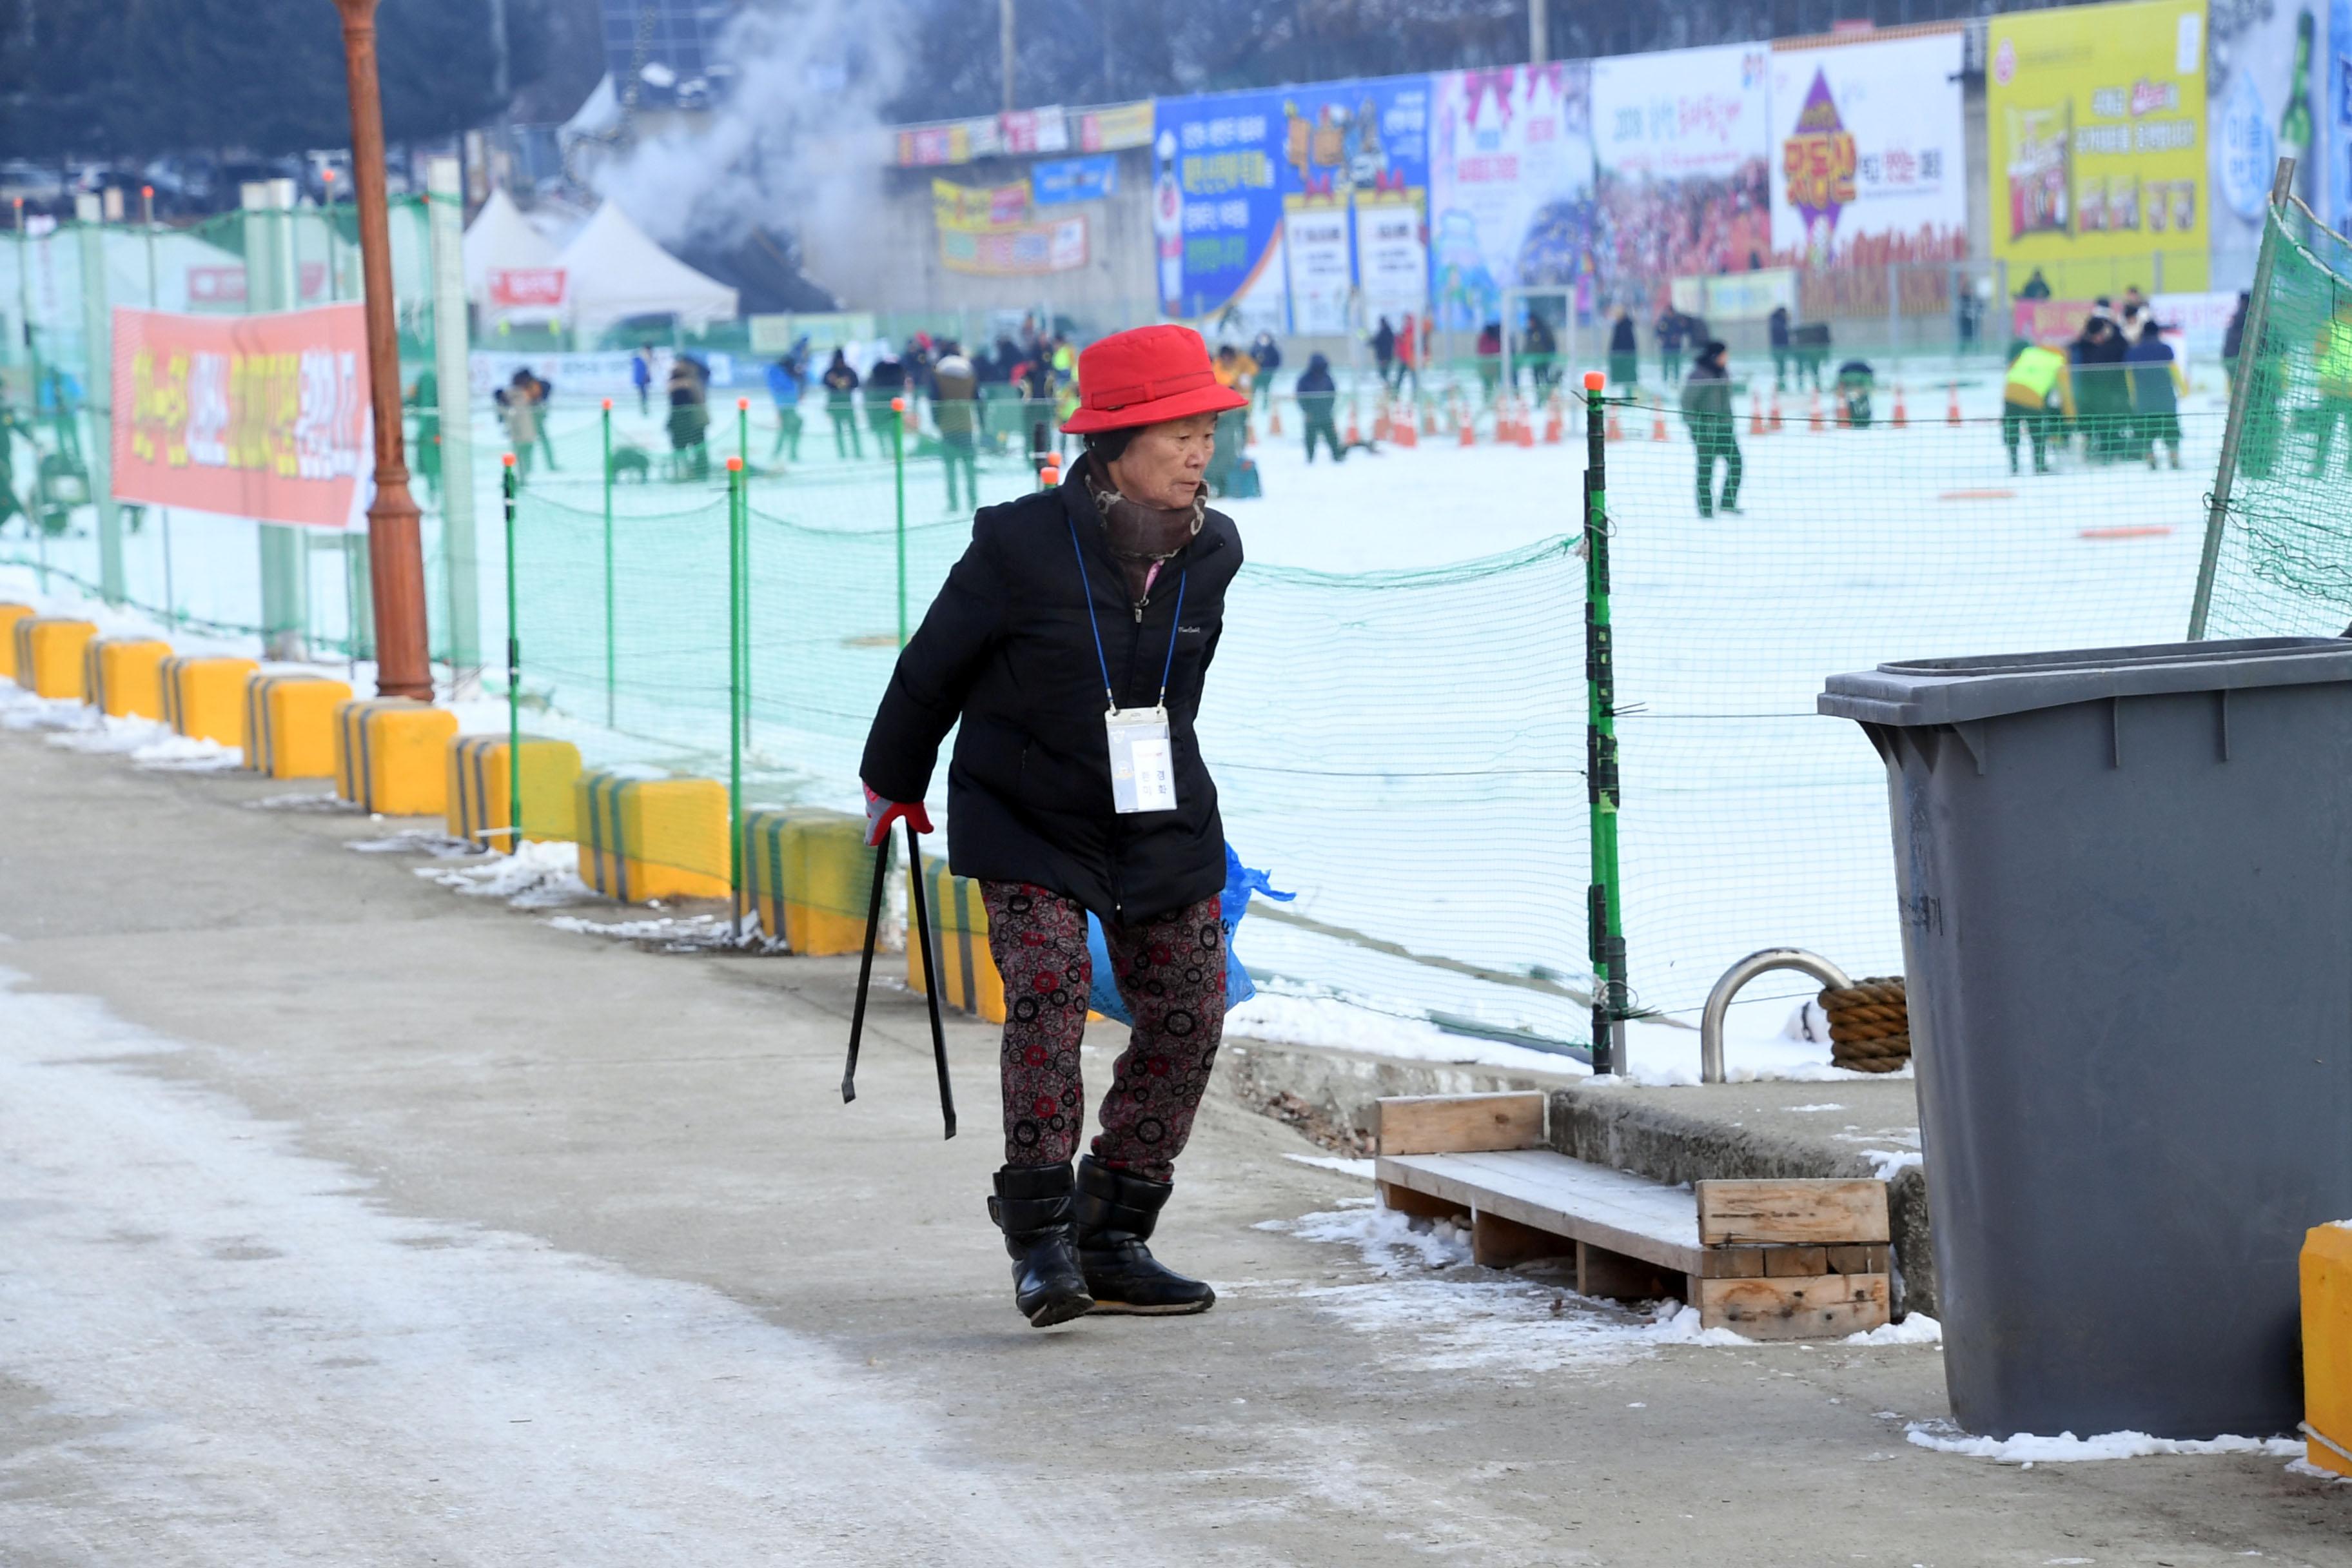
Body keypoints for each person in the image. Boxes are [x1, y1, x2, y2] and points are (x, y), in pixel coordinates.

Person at [858, 324, 1248, 1328]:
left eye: (1207, 428)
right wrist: (892, 784)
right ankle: (1040, 1242)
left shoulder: (1215, 552)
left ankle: (1113, 1230)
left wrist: (1196, 833)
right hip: (1027, 812)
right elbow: (931, 669)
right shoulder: (1018, 544)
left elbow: (1176, 700)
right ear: (1117, 443)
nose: (1200, 450)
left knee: (1189, 1012)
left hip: (1156, 812)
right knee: (1049, 990)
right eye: (1177, 432)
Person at [1680, 339, 1741, 516]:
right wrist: (1697, 428)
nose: (1727, 358)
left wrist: (1729, 422)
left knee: (1736, 464)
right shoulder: (1699, 376)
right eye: (1724, 354)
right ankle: (1705, 510)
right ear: (1715, 356)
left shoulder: (1723, 373)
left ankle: (1728, 503)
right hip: (1705, 432)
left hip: (1725, 429)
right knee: (1705, 471)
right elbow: (1687, 405)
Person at [2001, 337, 2073, 476]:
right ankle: (2040, 466)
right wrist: (2070, 419)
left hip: (2010, 393)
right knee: (2038, 433)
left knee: (2012, 431)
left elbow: (2010, 369)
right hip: (2032, 398)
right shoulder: (2059, 361)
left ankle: (2014, 466)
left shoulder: (2029, 352)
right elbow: (2066, 395)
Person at [2124, 317, 2186, 469]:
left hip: (2144, 400)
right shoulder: (2166, 349)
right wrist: (2183, 390)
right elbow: (2174, 372)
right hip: (2165, 399)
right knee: (2171, 431)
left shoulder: (2133, 352)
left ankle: (2151, 458)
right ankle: (2174, 457)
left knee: (2145, 432)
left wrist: (2133, 398)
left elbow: (2129, 378)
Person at [932, 347, 980, 510]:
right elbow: (978, 398)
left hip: (947, 425)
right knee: (969, 466)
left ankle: (953, 502)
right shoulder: (969, 372)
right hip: (966, 424)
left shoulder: (939, 373)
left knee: (950, 467)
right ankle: (972, 499)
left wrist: (936, 421)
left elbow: (934, 399)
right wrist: (983, 421)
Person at [1295, 352, 1346, 462]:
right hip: (1311, 415)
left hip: (1325, 413)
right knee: (1310, 438)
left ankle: (1337, 456)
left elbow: (1332, 394)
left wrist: (1329, 408)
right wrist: (1306, 410)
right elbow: (1301, 397)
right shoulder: (1305, 379)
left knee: (1332, 437)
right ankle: (1310, 458)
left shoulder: (1327, 378)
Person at [665, 356, 710, 480]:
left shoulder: (696, 379)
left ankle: (700, 473)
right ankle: (681, 473)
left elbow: (699, 396)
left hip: (694, 420)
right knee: (679, 450)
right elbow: (670, 391)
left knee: (699, 450)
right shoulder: (674, 379)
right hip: (678, 420)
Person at [767, 341, 807, 462]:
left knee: (786, 428)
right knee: (796, 424)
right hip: (786, 405)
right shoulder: (781, 374)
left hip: (786, 404)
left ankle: (779, 453)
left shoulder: (778, 372)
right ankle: (789, 453)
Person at [823, 349, 863, 460]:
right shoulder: (830, 372)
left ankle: (858, 452)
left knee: (853, 430)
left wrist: (848, 383)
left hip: (848, 405)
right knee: (839, 431)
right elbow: (824, 382)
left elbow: (857, 383)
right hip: (835, 406)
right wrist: (831, 381)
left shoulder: (849, 371)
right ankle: (842, 454)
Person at [867, 349, 908, 449]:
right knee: (888, 431)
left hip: (887, 408)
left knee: (891, 431)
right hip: (882, 408)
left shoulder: (881, 370)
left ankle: (892, 450)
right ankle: (891, 450)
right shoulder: (882, 370)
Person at [1522, 310, 1558, 400]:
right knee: (1536, 382)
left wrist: (1551, 356)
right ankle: (1539, 399)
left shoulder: (1544, 330)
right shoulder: (1530, 332)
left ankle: (1547, 398)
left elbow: (1551, 344)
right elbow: (1528, 345)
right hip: (1535, 362)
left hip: (1545, 361)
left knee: (1546, 380)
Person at [528, 370, 558, 471]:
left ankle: (550, 465)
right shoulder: (532, 388)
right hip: (530, 421)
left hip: (536, 421)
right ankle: (529, 467)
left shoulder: (538, 389)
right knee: (529, 445)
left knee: (541, 444)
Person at [1835, 358, 1876, 429]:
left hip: (1852, 381)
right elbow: (1868, 387)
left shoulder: (1845, 375)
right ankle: (1862, 421)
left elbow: (1839, 388)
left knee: (1857, 404)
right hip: (1859, 383)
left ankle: (1858, 420)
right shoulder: (1865, 375)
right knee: (1861, 405)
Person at [1607, 306, 1639, 393]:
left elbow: (1623, 340)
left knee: (1627, 377)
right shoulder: (1620, 325)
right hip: (1621, 355)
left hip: (1624, 355)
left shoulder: (1625, 325)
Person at [1248, 331, 1281, 409]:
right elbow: (1250, 360)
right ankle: (1251, 406)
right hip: (1256, 375)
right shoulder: (1255, 349)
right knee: (1253, 391)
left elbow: (1277, 361)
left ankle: (1265, 406)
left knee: (1266, 391)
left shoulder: (1273, 350)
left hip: (1267, 375)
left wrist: (1271, 370)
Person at [1656, 306, 1687, 387]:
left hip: (1676, 347)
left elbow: (1682, 331)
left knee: (1676, 364)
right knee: (1666, 364)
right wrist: (1661, 338)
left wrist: (1677, 337)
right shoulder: (1663, 320)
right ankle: (1665, 380)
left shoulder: (1678, 320)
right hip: (1666, 347)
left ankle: (1677, 380)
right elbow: (1657, 331)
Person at [1767, 305, 1792, 392]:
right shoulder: (1777, 322)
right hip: (1779, 349)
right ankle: (1781, 385)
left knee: (1782, 369)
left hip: (1780, 349)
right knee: (1780, 369)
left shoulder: (1777, 321)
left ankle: (1782, 385)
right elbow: (1782, 334)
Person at [1371, 317, 1398, 392]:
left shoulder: (1383, 332)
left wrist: (1365, 337)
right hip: (1388, 356)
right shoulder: (1389, 332)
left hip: (1383, 357)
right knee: (1385, 373)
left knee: (1383, 373)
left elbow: (1375, 342)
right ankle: (1388, 387)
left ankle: (1388, 387)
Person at [631, 344, 654, 415]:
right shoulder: (644, 357)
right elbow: (646, 369)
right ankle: (644, 409)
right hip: (642, 378)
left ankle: (644, 409)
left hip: (641, 378)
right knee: (643, 394)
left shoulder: (640, 356)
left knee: (643, 394)